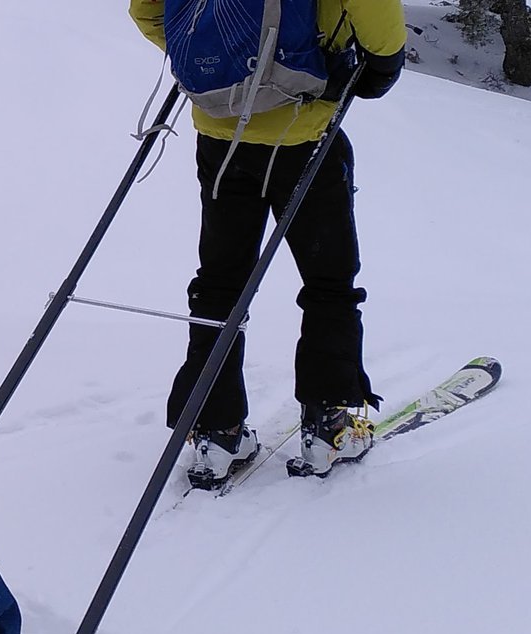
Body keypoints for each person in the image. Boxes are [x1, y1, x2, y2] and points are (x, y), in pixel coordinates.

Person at [129, 0, 408, 482]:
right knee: (329, 279)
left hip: (220, 134)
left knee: (220, 281)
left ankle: (217, 431)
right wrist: (382, 64)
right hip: (304, 128)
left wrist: (225, 68)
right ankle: (328, 425)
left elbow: (147, 11)